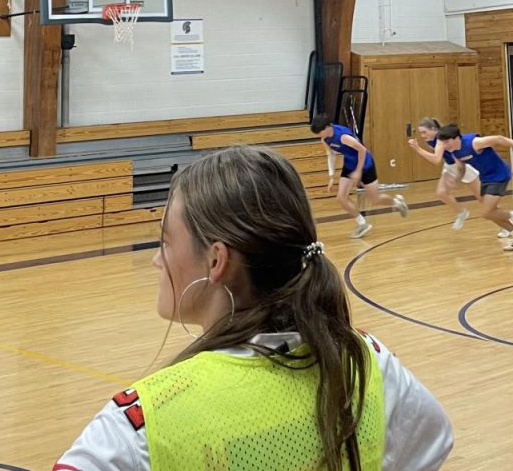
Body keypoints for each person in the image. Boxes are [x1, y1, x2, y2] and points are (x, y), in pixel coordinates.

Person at [55, 146, 453, 471]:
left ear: (216, 261)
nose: (156, 261)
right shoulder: (369, 365)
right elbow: (435, 438)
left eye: (165, 242)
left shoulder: (141, 421)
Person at [436, 124, 513, 251]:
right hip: (486, 178)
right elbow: (461, 167)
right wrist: (457, 180)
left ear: (456, 138)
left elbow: (500, 139)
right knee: (491, 213)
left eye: (447, 141)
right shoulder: (454, 152)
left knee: (487, 212)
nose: (445, 145)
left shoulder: (474, 143)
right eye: (443, 142)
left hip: (499, 175)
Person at [310, 115, 408, 239]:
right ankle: (362, 223)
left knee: (375, 200)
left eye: (320, 132)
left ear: (329, 127)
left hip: (365, 164)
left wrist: (358, 171)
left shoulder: (343, 137)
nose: (320, 135)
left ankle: (396, 202)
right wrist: (331, 176)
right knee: (341, 197)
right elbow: (331, 154)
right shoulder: (325, 138)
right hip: (350, 165)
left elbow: (362, 150)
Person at [408, 117, 479, 230]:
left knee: (483, 199)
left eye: (424, 132)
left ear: (433, 129)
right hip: (450, 166)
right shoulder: (431, 139)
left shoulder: (440, 138)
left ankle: (507, 221)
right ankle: (462, 212)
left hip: (462, 165)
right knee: (441, 193)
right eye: (420, 132)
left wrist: (418, 149)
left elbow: (436, 159)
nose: (422, 135)